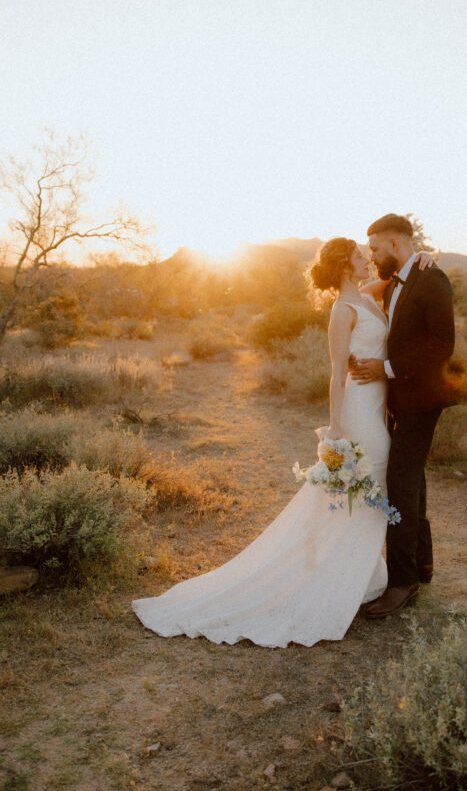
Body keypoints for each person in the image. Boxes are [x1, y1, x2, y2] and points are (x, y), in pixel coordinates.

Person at [132, 237, 430, 648]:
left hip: (377, 408)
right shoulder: (343, 311)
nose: (368, 260)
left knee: (364, 495)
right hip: (360, 414)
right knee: (364, 491)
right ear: (346, 265)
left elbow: (401, 275)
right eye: (361, 256)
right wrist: (336, 430)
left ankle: (354, 572)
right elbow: (334, 373)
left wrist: (425, 256)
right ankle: (332, 577)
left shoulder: (365, 295)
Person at [350, 213, 455, 619]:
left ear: (395, 244)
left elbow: (442, 344)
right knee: (413, 479)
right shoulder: (397, 281)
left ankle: (402, 582)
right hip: (398, 399)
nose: (372, 255)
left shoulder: (432, 279)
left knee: (400, 481)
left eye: (375, 248)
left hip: (422, 399)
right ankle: (422, 564)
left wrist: (388, 370)